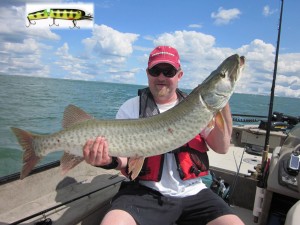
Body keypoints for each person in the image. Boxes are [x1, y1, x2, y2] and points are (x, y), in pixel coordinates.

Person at [83, 46, 245, 225]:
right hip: (145, 192)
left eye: (168, 71)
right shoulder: (130, 107)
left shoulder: (199, 107)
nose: (161, 77)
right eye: (155, 70)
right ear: (148, 74)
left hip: (194, 192)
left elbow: (221, 148)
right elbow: (124, 159)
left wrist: (223, 103)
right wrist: (108, 161)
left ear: (179, 75)